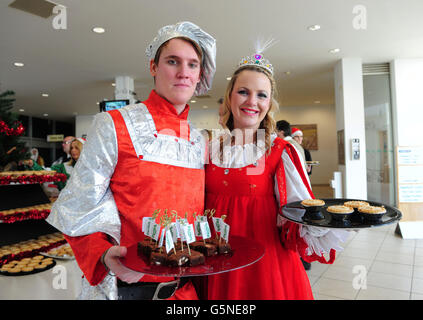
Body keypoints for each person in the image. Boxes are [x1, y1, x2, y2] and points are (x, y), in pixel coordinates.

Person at [46, 21, 216, 300]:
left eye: (193, 65)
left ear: (200, 75)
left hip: (186, 288)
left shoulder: (199, 141)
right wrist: (102, 254)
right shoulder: (113, 124)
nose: (184, 72)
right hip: (130, 289)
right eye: (173, 61)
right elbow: (76, 206)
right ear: (153, 67)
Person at [205, 51, 349, 299]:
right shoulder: (210, 148)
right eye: (243, 92)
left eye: (261, 95)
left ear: (269, 104)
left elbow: (303, 211)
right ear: (230, 97)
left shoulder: (281, 150)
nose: (252, 101)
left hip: (264, 262)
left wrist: (335, 221)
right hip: (215, 259)